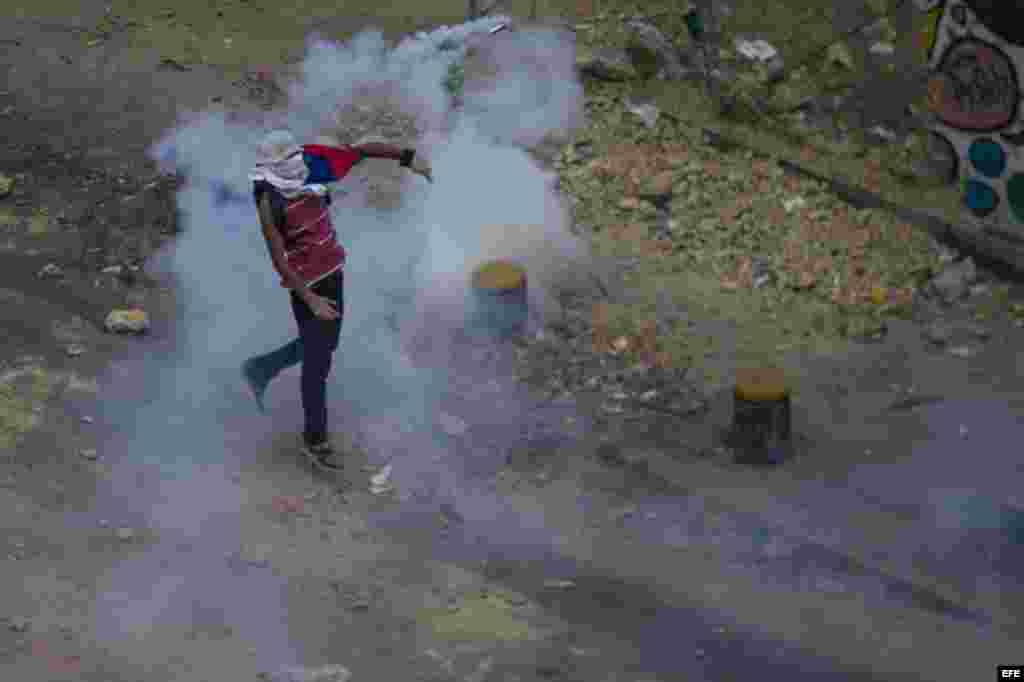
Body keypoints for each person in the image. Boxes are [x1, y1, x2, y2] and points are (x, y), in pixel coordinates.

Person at [242, 129, 433, 471]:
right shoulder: (269, 200)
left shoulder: (315, 165)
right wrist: (311, 300)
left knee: (324, 345)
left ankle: (261, 368)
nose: (292, 173)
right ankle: (315, 440)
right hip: (307, 286)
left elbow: (362, 150)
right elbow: (279, 260)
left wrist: (409, 158)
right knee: (318, 363)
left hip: (334, 272)